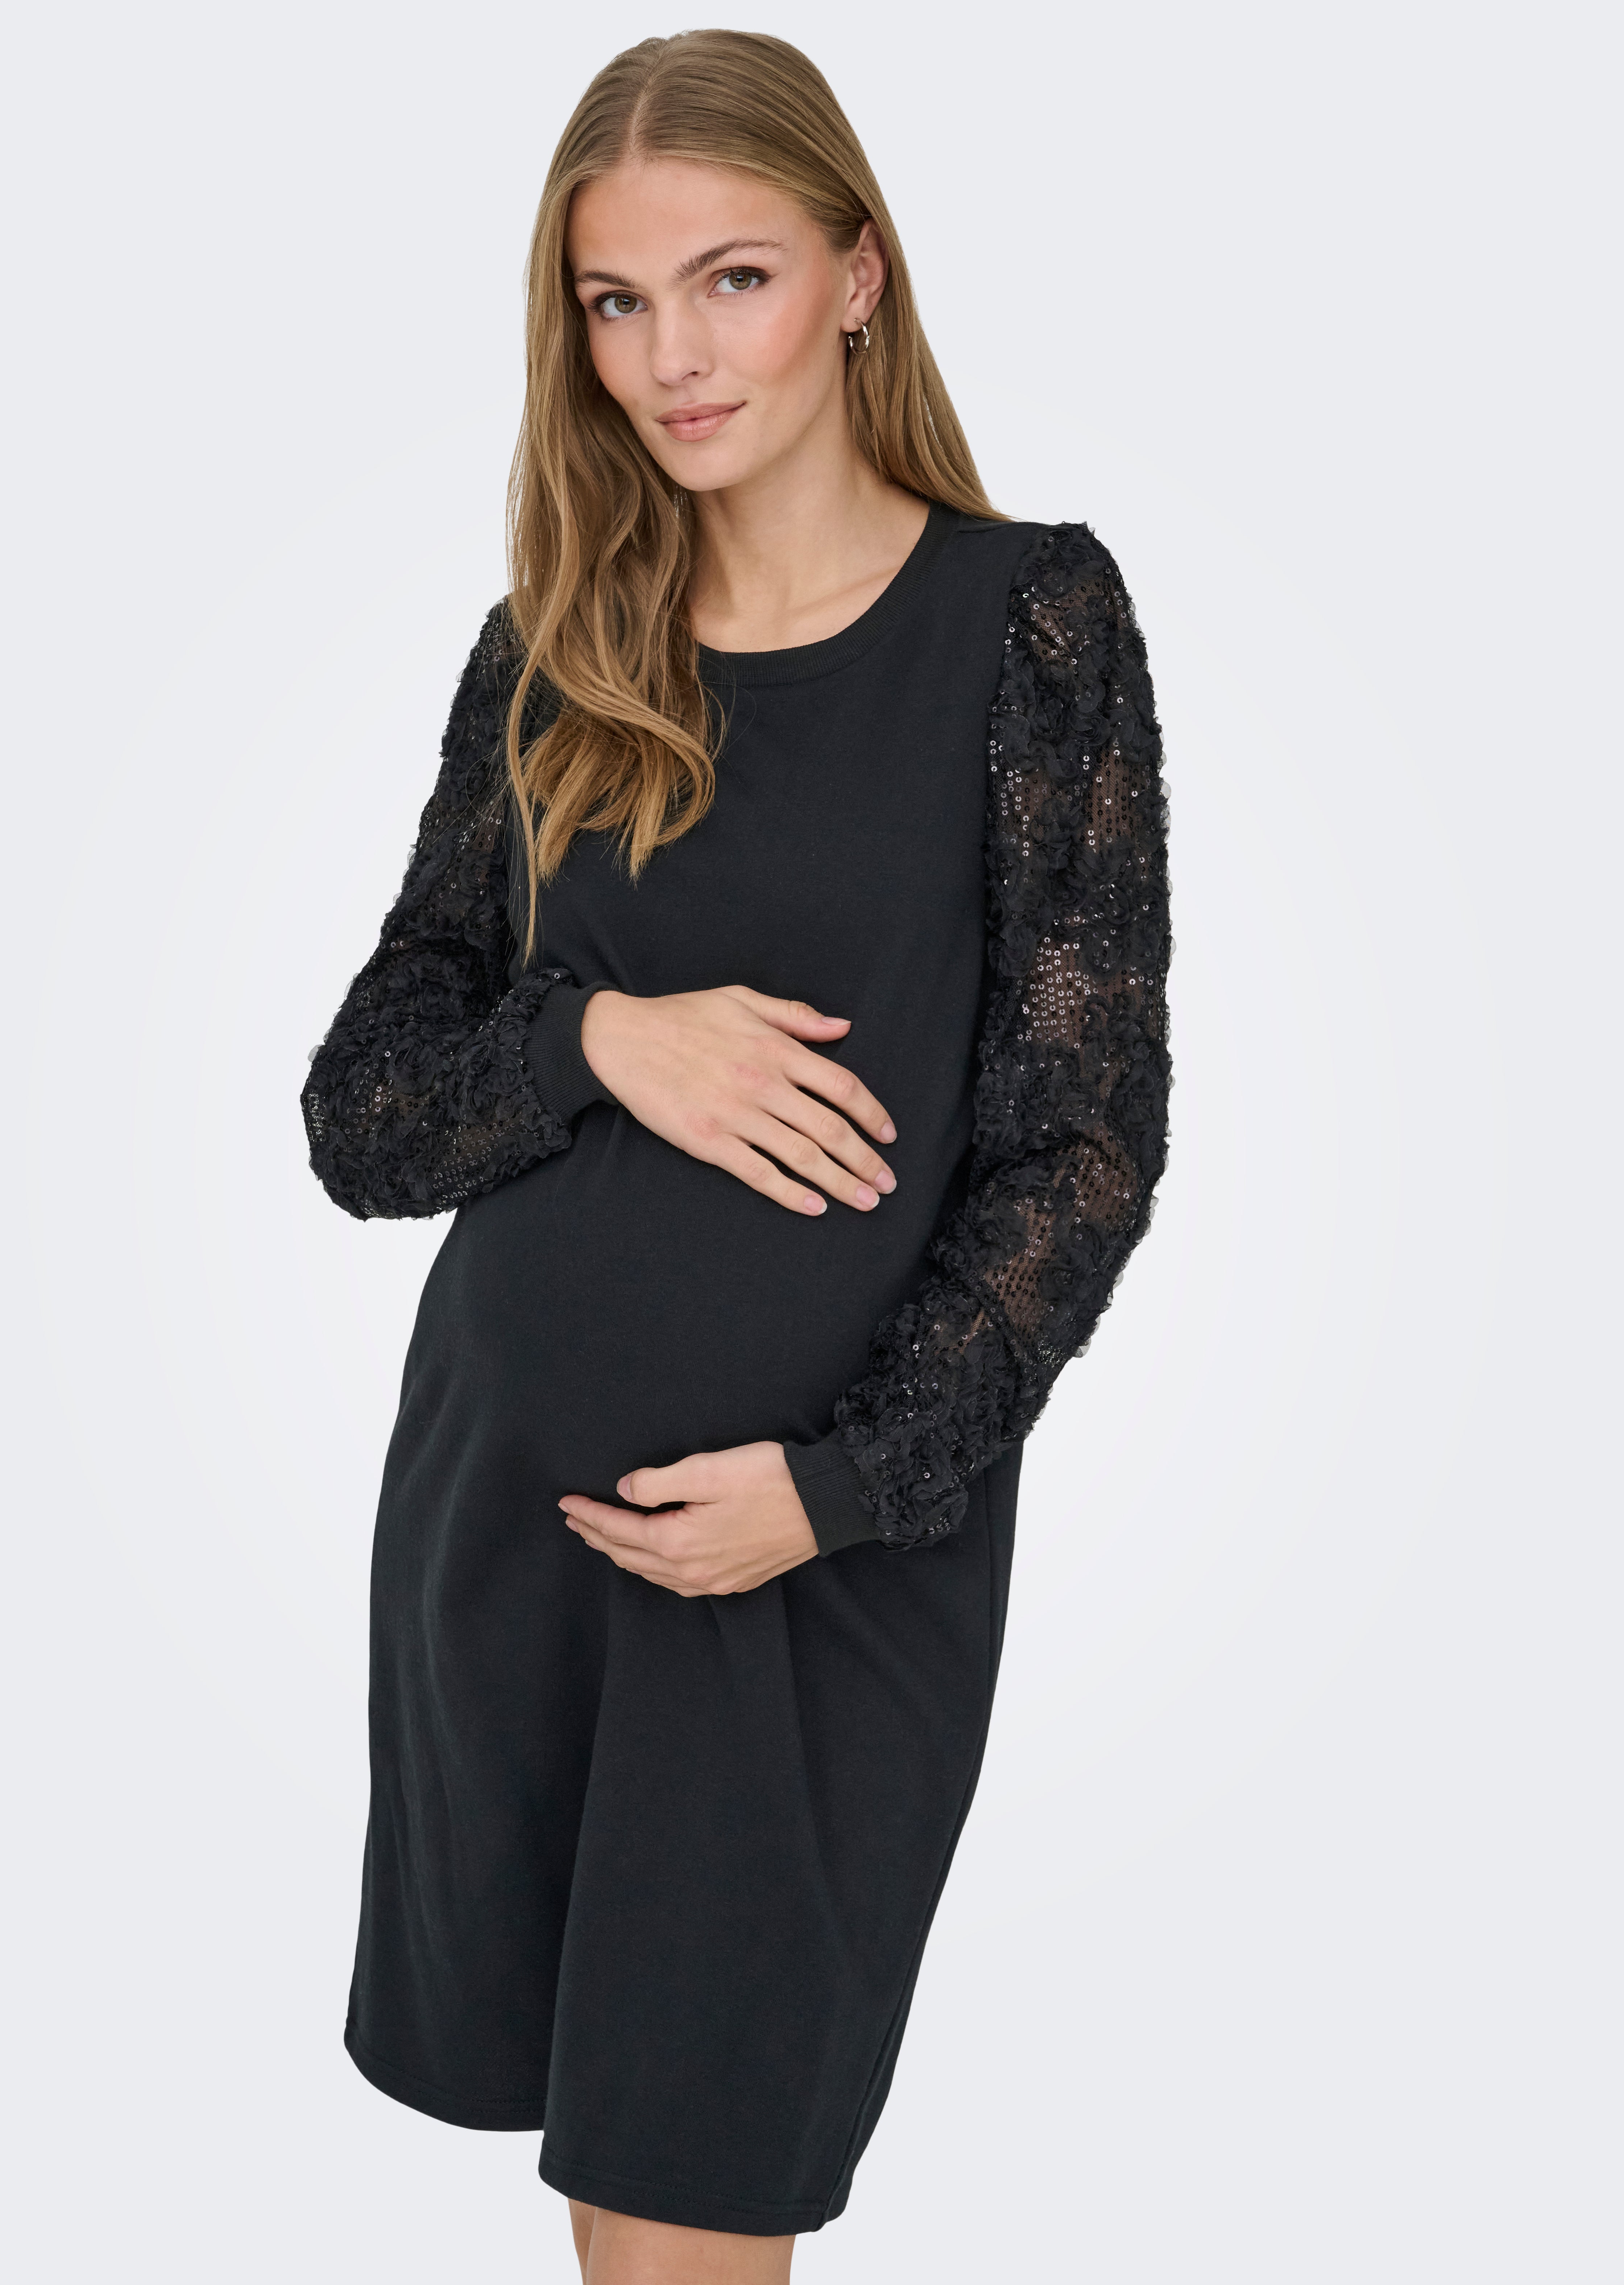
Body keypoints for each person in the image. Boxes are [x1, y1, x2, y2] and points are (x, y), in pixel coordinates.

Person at [301, 29, 1171, 2284]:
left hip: (814, 1572)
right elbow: (363, 1112)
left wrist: (842, 1488)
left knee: (696, 2201)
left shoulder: (1028, 621)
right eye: (616, 301)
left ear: (856, 277)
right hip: (509, 1524)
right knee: (615, 2221)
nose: (672, 357)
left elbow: (1082, 1149)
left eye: (733, 280)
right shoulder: (551, 651)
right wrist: (602, 1036)